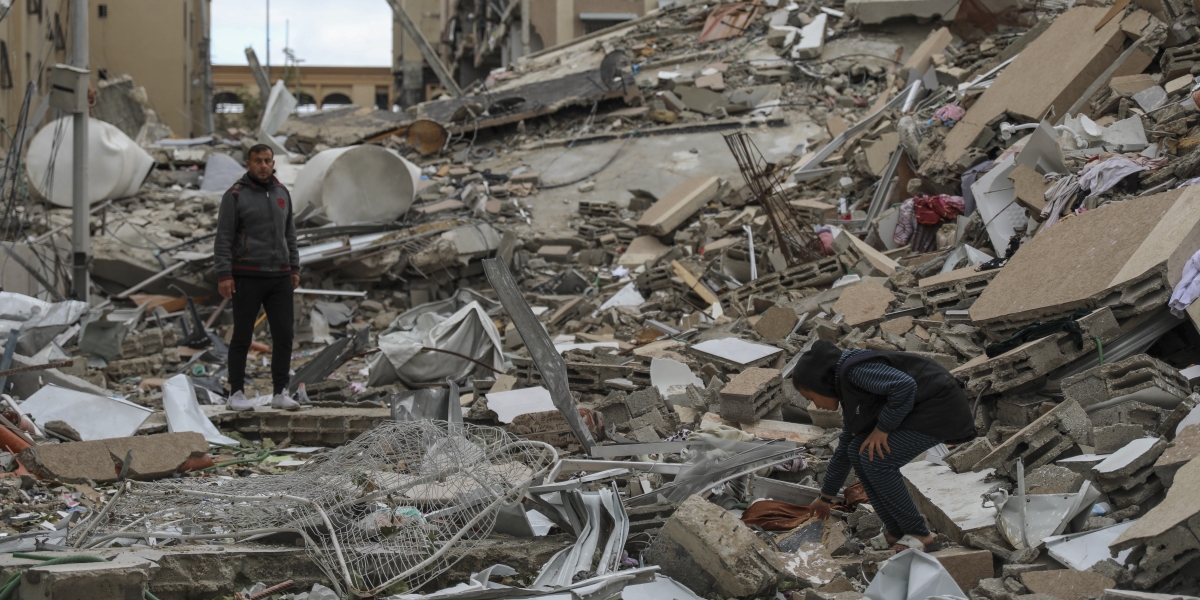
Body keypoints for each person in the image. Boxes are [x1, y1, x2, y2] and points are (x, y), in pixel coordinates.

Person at [791, 340, 976, 552]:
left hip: (940, 409)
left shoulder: (854, 372)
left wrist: (883, 429)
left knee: (878, 459)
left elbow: (904, 386)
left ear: (819, 383)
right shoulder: (846, 388)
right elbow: (845, 448)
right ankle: (896, 530)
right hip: (918, 411)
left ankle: (919, 533)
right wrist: (825, 497)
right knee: (857, 449)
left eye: (810, 397)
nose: (815, 405)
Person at [213, 144, 301, 411]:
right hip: (246, 276)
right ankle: (236, 393)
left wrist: (294, 267)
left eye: (267, 161)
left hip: (280, 277)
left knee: (284, 334)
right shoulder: (235, 195)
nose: (263, 165)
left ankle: (280, 392)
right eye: (257, 161)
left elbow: (291, 235)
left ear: (274, 163)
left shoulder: (282, 193)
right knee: (242, 335)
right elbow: (224, 237)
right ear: (248, 164)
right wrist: (224, 274)